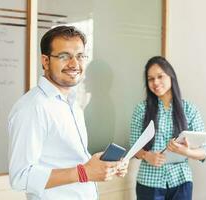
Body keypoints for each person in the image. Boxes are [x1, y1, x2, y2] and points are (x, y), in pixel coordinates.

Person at [8, 26, 128, 200]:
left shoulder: (72, 103)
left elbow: (71, 158)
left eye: (80, 56)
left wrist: (104, 165)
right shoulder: (32, 108)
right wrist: (83, 172)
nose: (74, 64)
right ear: (45, 61)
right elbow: (20, 177)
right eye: (64, 56)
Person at [130, 56, 206, 200]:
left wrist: (187, 151)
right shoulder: (141, 109)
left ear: (171, 76)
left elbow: (204, 152)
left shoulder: (189, 109)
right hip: (149, 182)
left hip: (181, 181)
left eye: (160, 76)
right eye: (150, 79)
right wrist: (148, 156)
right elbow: (134, 147)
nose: (155, 82)